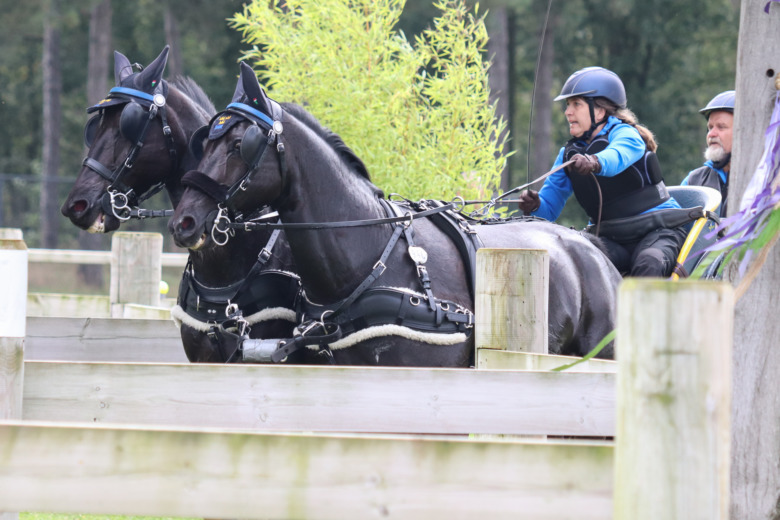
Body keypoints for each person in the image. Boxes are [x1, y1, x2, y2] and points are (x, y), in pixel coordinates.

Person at [518, 66, 689, 277]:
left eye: (576, 104)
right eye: (568, 105)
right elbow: (548, 210)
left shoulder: (628, 135)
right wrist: (534, 206)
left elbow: (617, 156)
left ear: (599, 111)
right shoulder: (568, 155)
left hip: (658, 231)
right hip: (610, 239)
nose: (567, 112)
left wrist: (594, 161)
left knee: (648, 263)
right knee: (575, 263)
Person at [680, 90, 734, 216]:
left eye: (721, 127)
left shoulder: (765, 180)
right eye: (710, 128)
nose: (711, 134)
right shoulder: (693, 180)